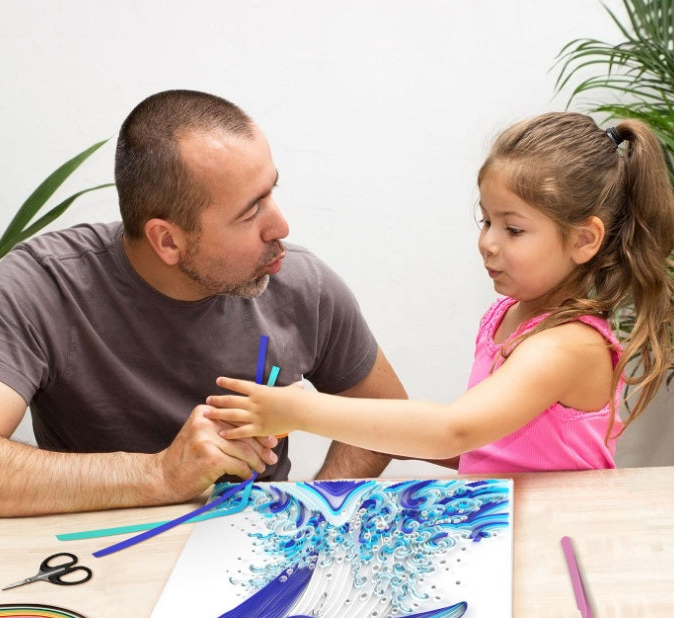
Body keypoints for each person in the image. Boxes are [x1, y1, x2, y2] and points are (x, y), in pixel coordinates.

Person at [0, 89, 407, 516]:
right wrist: (160, 475)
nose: (281, 227)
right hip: (88, 563)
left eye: (270, 191)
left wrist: (318, 509)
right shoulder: (45, 284)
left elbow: (388, 419)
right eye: (250, 211)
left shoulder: (301, 284)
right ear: (167, 242)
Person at [206, 112, 674, 473]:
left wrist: (300, 409)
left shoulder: (569, 346)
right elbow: (480, 445)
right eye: (486, 220)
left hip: (560, 541)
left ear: (584, 239)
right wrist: (401, 438)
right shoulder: (507, 315)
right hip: (510, 526)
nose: (488, 242)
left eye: (513, 229)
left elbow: (455, 430)